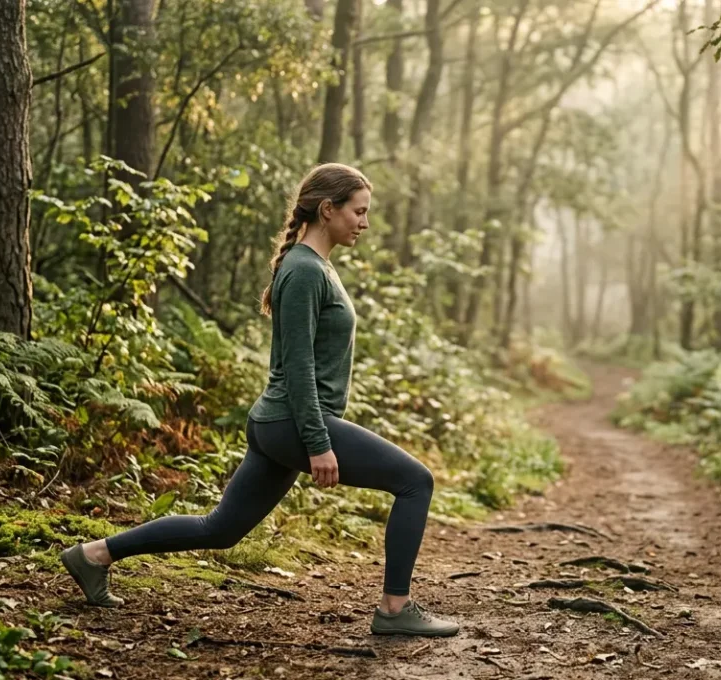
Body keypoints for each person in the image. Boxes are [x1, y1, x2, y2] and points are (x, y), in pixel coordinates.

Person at [59, 163, 460, 638]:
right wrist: (318, 443)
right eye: (358, 211)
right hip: (292, 422)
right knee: (415, 481)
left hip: (281, 422)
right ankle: (395, 609)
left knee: (220, 529)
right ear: (327, 209)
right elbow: (298, 367)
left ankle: (93, 555)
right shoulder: (305, 270)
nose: (365, 223)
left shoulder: (315, 267)